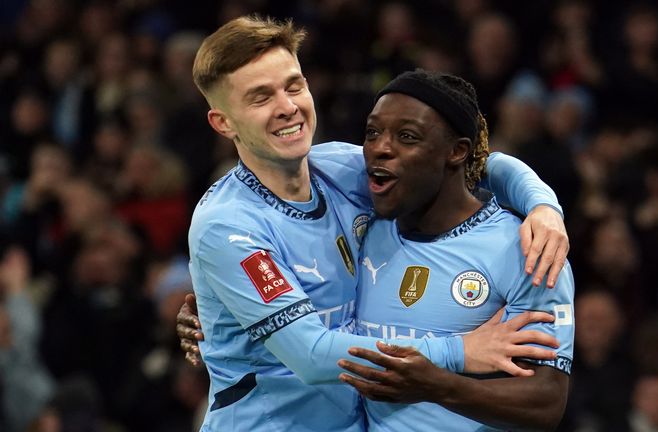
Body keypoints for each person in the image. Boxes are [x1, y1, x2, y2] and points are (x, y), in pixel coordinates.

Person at [185, 15, 568, 431]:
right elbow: (312, 354)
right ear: (223, 122)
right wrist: (459, 352)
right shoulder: (227, 224)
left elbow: (470, 162)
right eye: (261, 98)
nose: (287, 106)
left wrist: (544, 206)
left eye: (293, 86)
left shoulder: (340, 170)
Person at [335, 70, 574, 431]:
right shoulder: (364, 222)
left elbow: (546, 401)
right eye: (372, 132)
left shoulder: (526, 246)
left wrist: (438, 386)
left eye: (407, 136)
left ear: (457, 151)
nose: (381, 147)